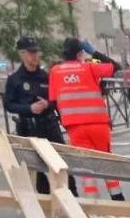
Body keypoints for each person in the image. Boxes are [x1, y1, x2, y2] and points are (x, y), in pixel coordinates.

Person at [48, 37, 124, 200]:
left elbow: (53, 101)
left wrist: (64, 120)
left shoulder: (55, 71)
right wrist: (94, 52)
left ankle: (93, 207)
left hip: (75, 127)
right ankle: (117, 199)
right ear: (80, 52)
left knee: (86, 168)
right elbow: (116, 67)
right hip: (98, 124)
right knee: (106, 162)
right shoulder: (89, 67)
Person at [2, 36, 78, 196]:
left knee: (62, 164)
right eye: (31, 53)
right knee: (36, 169)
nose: (35, 56)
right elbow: (9, 105)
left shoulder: (46, 76)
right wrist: (29, 108)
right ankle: (48, 202)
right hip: (28, 128)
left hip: (49, 125)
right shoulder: (15, 79)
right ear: (22, 54)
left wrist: (47, 104)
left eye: (36, 52)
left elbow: (57, 99)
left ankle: (73, 197)